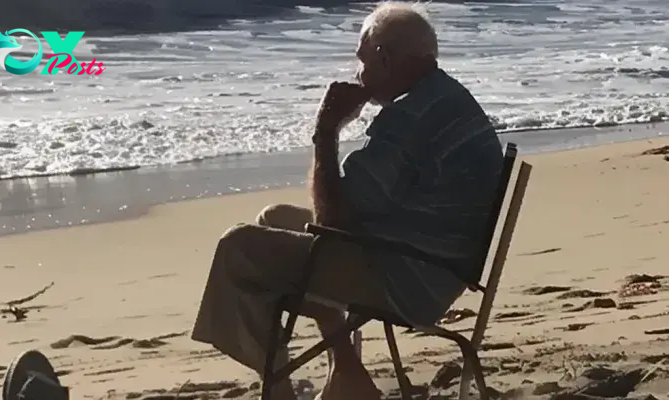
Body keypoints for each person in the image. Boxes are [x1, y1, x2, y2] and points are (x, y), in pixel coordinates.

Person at [191, 2, 504, 399]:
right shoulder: (445, 97)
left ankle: (279, 389)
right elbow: (354, 215)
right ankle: (347, 368)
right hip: (434, 262)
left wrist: (326, 131)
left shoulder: (407, 119)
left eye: (363, 61)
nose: (359, 73)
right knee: (274, 218)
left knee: (239, 248)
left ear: (384, 58)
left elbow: (335, 221)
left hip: (408, 278)